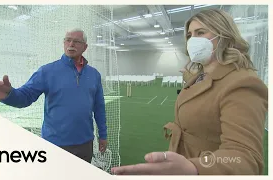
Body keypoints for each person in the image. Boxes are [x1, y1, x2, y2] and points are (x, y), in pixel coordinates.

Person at [111, 9, 268, 175]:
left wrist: (195, 167)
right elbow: (203, 84)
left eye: (200, 32)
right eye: (189, 35)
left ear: (224, 35)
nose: (193, 40)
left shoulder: (242, 84)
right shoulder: (201, 75)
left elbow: (244, 159)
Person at [0, 28, 108, 163]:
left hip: (85, 143)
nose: (71, 44)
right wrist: (9, 95)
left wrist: (103, 135)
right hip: (55, 143)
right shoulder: (47, 71)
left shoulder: (94, 75)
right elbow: (25, 97)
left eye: (76, 41)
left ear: (85, 47)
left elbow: (99, 107)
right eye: (67, 40)